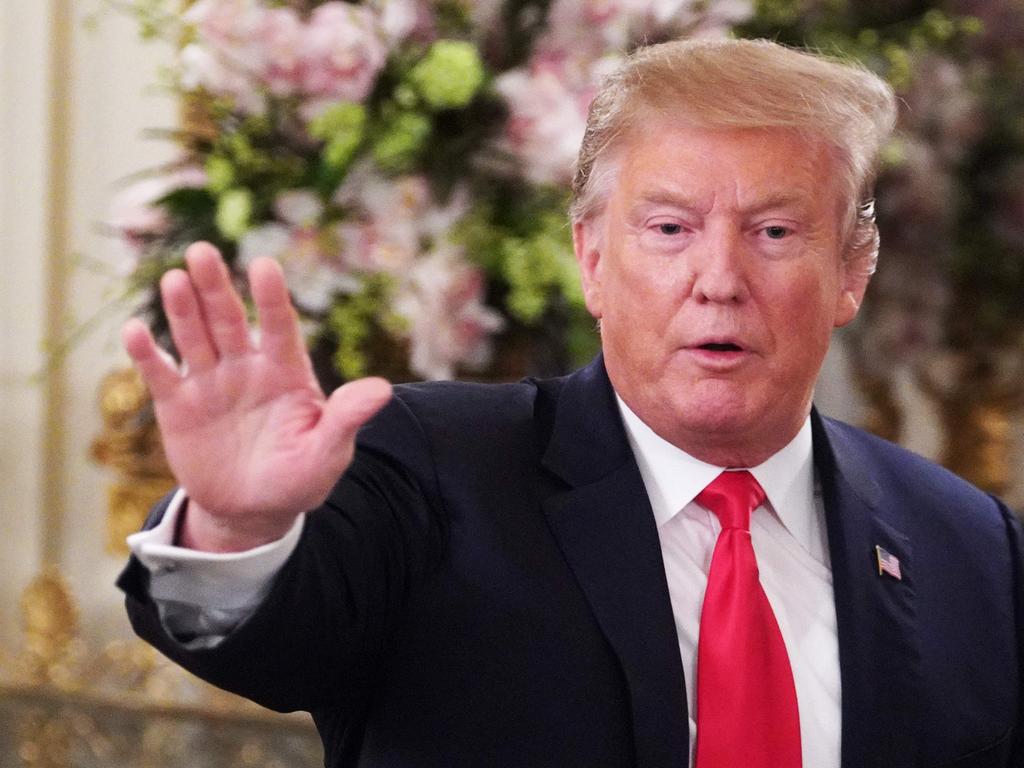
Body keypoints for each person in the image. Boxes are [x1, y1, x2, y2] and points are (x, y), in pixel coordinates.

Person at [117, 38, 1024, 768]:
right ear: (592, 258)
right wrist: (237, 530)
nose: (719, 280)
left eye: (775, 233)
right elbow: (276, 642)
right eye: (669, 229)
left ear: (851, 273)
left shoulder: (970, 543)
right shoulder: (433, 468)